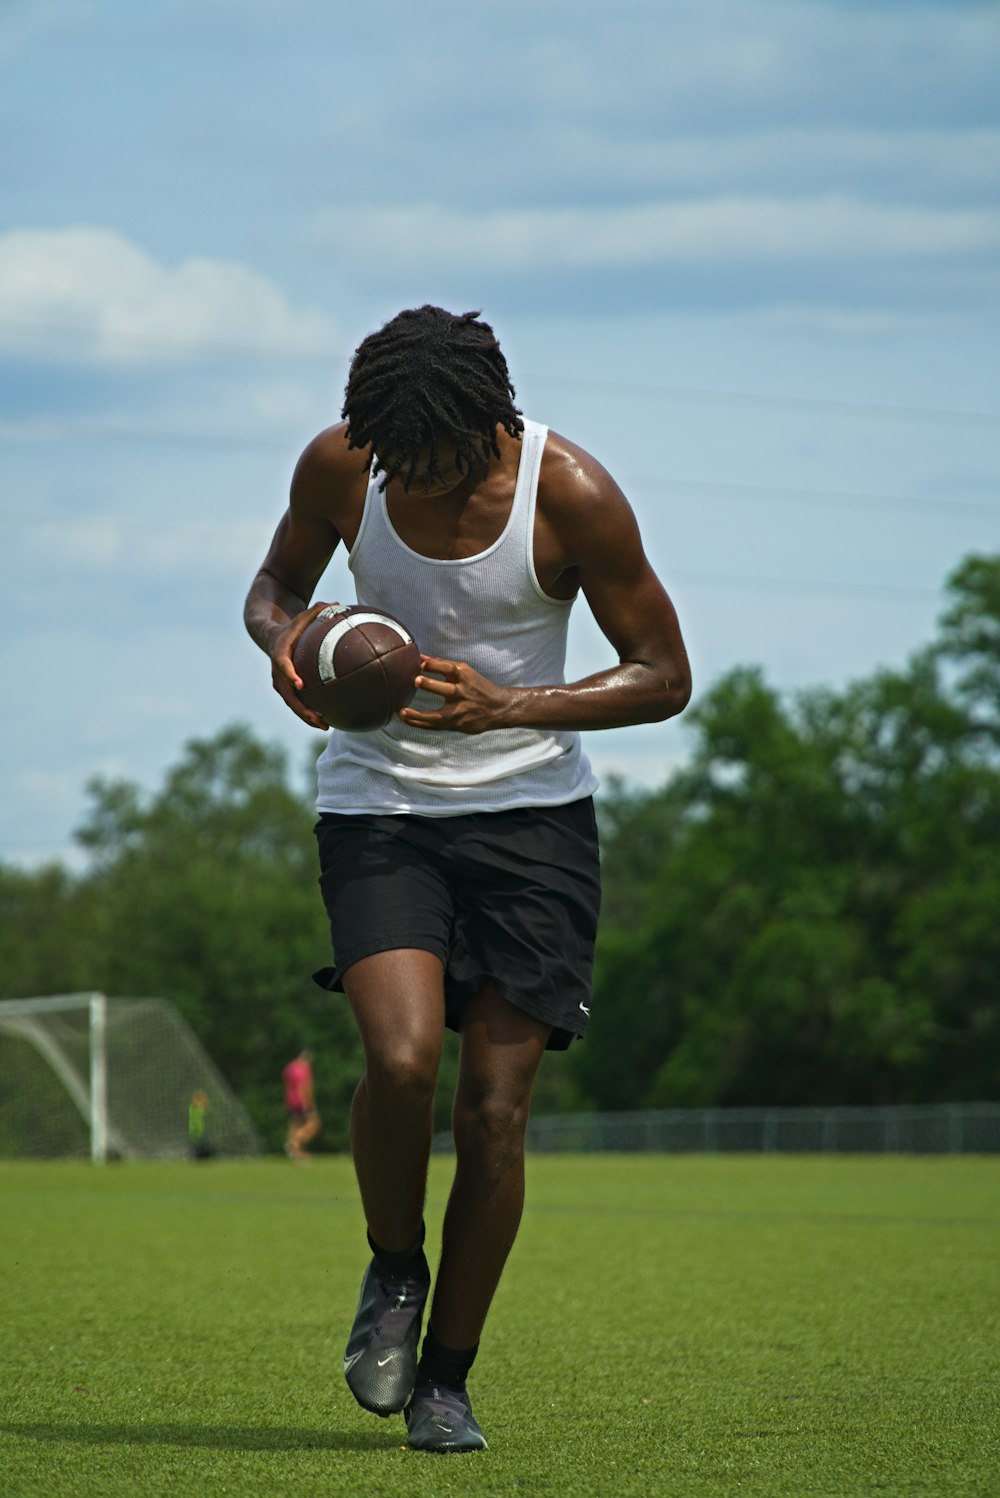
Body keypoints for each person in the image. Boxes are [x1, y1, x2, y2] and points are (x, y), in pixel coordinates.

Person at [244, 305, 691, 1452]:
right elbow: (270, 590)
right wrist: (290, 650)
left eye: (428, 459)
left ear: (486, 426)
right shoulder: (347, 461)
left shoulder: (570, 492)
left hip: (534, 818)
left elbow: (663, 674)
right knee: (399, 1061)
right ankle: (394, 1270)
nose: (407, 478)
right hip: (380, 805)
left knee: (492, 1115)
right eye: (390, 457)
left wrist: (514, 703)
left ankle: (445, 1377)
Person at [283, 1048, 320, 1159]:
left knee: (295, 1125)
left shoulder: (289, 1068)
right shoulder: (305, 1069)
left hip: (290, 1100)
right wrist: (309, 1104)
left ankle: (295, 1152)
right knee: (314, 1124)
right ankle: (294, 1143)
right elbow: (305, 1087)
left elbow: (287, 1086)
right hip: (301, 1101)